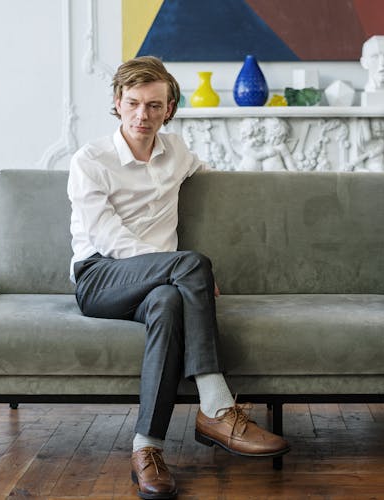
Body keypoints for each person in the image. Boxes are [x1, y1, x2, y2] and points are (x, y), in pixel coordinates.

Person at [67, 56, 289, 500]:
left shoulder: (178, 153)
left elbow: (214, 183)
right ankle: (217, 406)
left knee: (170, 302)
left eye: (153, 105)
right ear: (117, 103)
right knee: (190, 268)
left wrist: (183, 279)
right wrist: (183, 270)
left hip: (162, 286)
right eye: (132, 104)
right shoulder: (90, 160)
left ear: (169, 108)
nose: (141, 115)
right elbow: (108, 239)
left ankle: (146, 449)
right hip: (100, 277)